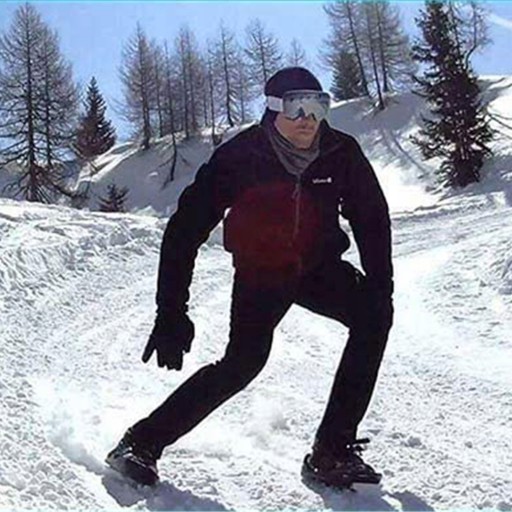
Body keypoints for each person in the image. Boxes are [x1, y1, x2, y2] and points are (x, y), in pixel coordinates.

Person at [106, 67, 394, 489]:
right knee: (243, 364)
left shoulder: (340, 152)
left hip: (318, 267)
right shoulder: (242, 156)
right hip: (263, 273)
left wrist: (381, 286)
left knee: (374, 314)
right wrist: (171, 311)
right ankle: (140, 443)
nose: (308, 119)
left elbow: (372, 219)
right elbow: (185, 229)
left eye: (317, 106)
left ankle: (331, 452)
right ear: (274, 109)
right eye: (296, 107)